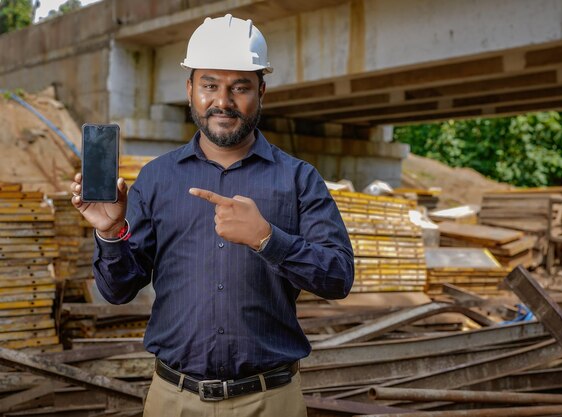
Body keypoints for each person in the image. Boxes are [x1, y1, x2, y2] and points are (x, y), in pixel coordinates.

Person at [70, 14, 354, 417]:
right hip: (174, 400)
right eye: (209, 85)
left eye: (240, 87)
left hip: (271, 400)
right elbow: (118, 291)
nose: (223, 101)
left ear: (261, 92)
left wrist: (268, 240)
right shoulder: (157, 178)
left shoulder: (298, 179)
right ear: (190, 89)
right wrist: (113, 232)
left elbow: (339, 277)